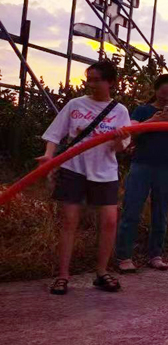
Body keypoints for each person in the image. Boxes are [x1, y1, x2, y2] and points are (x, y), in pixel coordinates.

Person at [38, 60, 131, 295]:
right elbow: (54, 134)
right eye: (89, 79)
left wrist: (119, 138)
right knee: (69, 221)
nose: (91, 84)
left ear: (111, 82)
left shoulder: (119, 111)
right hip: (73, 168)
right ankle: (62, 275)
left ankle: (101, 272)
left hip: (104, 171)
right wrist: (49, 157)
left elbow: (120, 148)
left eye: (97, 79)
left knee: (110, 221)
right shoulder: (75, 105)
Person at [115, 74, 168, 273]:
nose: (167, 98)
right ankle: (124, 256)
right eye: (163, 93)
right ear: (155, 92)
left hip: (166, 167)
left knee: (161, 213)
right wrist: (153, 120)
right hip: (142, 165)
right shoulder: (142, 110)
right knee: (132, 210)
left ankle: (156, 255)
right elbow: (130, 132)